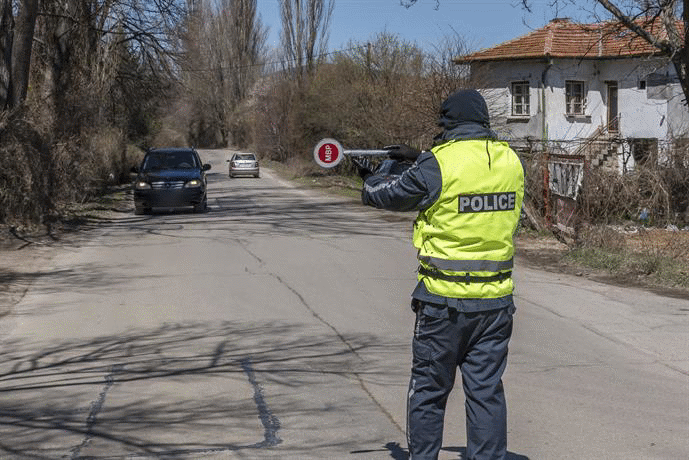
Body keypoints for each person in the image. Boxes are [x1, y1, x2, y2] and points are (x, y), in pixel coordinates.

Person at [359, 89, 525, 460]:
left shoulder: (438, 163)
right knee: (485, 392)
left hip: (443, 304)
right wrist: (418, 158)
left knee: (429, 391)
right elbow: (470, 178)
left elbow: (392, 195)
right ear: (484, 120)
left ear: (447, 123)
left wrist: (369, 182)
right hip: (496, 303)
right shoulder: (511, 160)